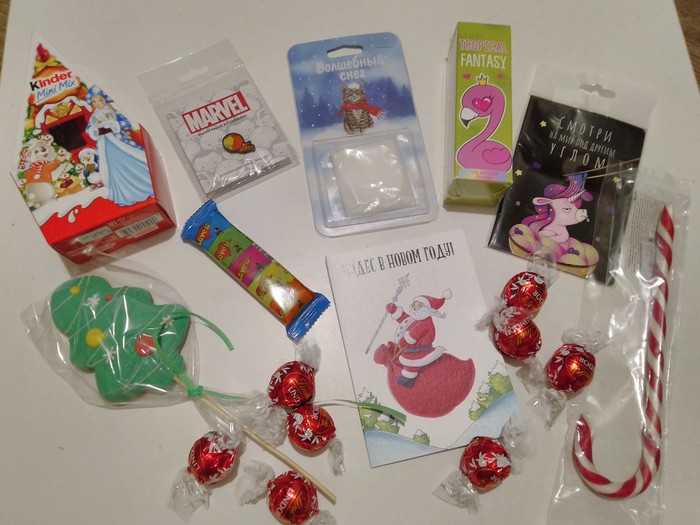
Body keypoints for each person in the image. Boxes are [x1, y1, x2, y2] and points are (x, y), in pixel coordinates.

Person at [85, 86, 154, 206]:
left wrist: (113, 125)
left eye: (100, 100)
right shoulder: (93, 116)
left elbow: (125, 123)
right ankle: (124, 193)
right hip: (104, 143)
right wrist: (95, 130)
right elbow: (89, 129)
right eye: (94, 102)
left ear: (105, 99)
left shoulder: (112, 110)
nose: (98, 104)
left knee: (130, 159)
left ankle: (147, 183)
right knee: (112, 166)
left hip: (117, 140)